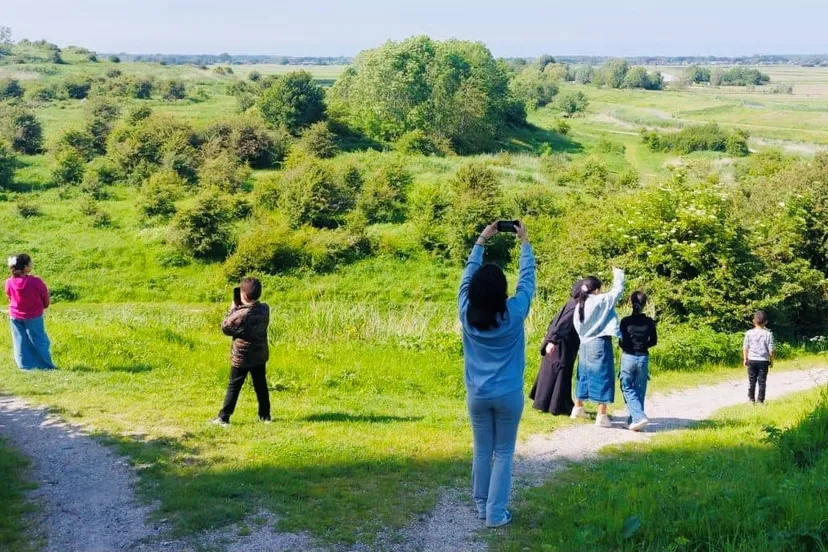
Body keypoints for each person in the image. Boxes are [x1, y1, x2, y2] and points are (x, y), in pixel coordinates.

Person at [459, 220, 535, 528]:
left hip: (477, 394)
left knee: (482, 449)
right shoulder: (514, 312)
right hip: (508, 394)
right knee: (503, 452)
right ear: (503, 290)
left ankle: (480, 506)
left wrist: (481, 240)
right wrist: (525, 244)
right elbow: (527, 282)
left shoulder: (466, 311)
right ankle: (495, 513)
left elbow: (466, 279)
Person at [212, 277, 271, 426]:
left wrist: (233, 308)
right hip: (259, 355)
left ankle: (224, 417)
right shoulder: (265, 309)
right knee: (261, 385)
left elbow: (225, 327)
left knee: (234, 386)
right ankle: (265, 416)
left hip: (242, 357)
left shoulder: (241, 314)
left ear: (243, 295)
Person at [571, 268, 625, 428]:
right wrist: (618, 273)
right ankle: (602, 415)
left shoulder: (580, 304)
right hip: (599, 342)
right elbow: (617, 291)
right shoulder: (600, 300)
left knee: (583, 375)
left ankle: (578, 407)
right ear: (596, 290)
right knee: (604, 376)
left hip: (584, 343)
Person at [529, 280, 581, 416]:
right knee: (559, 372)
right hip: (561, 344)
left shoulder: (573, 303)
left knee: (553, 373)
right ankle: (556, 406)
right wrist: (552, 340)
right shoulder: (575, 306)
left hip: (561, 343)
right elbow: (562, 324)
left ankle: (547, 404)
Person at [5, 254, 56, 370]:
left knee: (19, 340)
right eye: (30, 262)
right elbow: (45, 297)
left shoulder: (9, 282)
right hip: (33, 316)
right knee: (39, 339)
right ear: (26, 267)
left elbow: (9, 296)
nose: (31, 264)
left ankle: (24, 365)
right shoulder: (36, 281)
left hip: (15, 315)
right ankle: (45, 365)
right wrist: (45, 305)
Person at [618, 291, 657, 431]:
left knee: (626, 387)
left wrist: (628, 346)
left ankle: (639, 417)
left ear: (630, 303)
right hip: (643, 357)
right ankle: (633, 421)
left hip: (628, 356)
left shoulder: (625, 321)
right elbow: (654, 341)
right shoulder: (649, 322)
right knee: (640, 389)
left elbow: (621, 341)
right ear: (645, 304)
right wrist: (643, 346)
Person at [743, 310, 775, 404]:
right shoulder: (768, 334)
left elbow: (745, 347)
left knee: (751, 380)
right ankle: (760, 400)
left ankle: (751, 399)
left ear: (753, 321)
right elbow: (772, 350)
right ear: (766, 322)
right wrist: (771, 361)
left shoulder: (748, 333)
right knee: (762, 381)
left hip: (752, 360)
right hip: (763, 361)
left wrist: (745, 359)